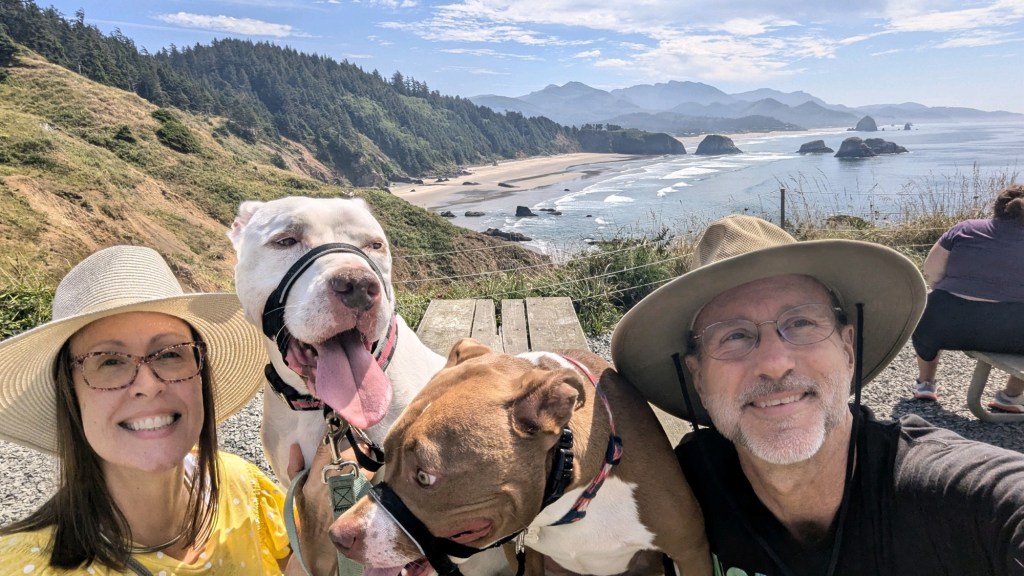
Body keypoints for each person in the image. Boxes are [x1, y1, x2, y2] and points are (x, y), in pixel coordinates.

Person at [611, 214, 1024, 575]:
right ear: (698, 378)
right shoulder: (681, 488)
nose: (775, 363)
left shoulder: (959, 497)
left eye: (802, 323)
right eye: (735, 336)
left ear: (847, 349)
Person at [0, 246, 292, 574]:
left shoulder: (242, 485)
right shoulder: (22, 566)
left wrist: (324, 507)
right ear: (70, 393)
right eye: (109, 361)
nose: (148, 384)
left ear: (200, 374)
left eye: (169, 354)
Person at [910, 184, 1024, 408]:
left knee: (931, 312)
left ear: (997, 208)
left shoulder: (966, 229)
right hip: (1014, 332)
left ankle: (925, 383)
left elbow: (932, 272)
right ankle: (1011, 396)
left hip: (948, 324)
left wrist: (957, 292)